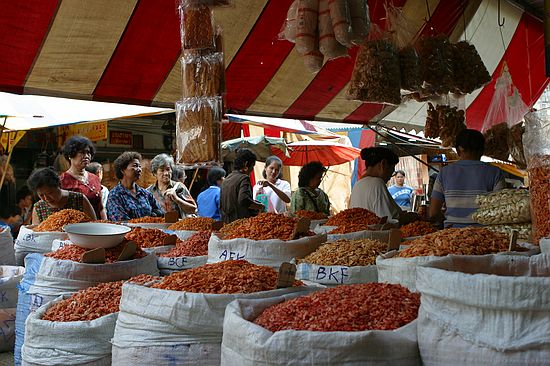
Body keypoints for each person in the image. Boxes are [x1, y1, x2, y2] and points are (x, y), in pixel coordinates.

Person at [429, 129, 505, 227]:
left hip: (451, 236)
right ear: (482, 150)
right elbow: (502, 210)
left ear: (459, 149)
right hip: (486, 236)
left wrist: (449, 220)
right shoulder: (495, 172)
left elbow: (433, 212)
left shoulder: (444, 173)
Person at [350, 147, 417, 224]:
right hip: (377, 235)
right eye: (391, 171)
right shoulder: (376, 183)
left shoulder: (358, 184)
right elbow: (389, 221)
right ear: (383, 164)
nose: (389, 177)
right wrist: (412, 217)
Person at [27, 167, 96, 224]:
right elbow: (37, 233)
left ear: (59, 185)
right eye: (41, 195)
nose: (46, 198)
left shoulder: (79, 200)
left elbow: (94, 225)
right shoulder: (39, 208)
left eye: (50, 193)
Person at [107, 152, 163, 221]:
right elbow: (120, 221)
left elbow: (160, 213)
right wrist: (147, 219)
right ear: (122, 170)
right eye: (135, 166)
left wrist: (153, 216)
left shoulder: (146, 194)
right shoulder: (115, 195)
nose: (139, 169)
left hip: (149, 231)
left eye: (140, 166)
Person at [60, 136, 107, 220]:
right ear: (70, 155)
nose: (86, 156)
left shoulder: (94, 178)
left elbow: (101, 208)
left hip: (96, 228)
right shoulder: (62, 180)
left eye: (88, 153)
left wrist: (105, 224)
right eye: (82, 152)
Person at [147, 154, 197, 218]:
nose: (166, 173)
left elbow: (193, 210)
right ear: (154, 173)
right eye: (162, 170)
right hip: (157, 227)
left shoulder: (179, 187)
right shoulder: (149, 192)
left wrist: (177, 199)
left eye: (168, 169)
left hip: (176, 227)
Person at [220, 149, 264, 223]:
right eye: (252, 166)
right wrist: (260, 206)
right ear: (246, 165)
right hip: (240, 225)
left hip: (227, 224)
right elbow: (244, 200)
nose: (252, 169)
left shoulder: (227, 179)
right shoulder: (244, 178)